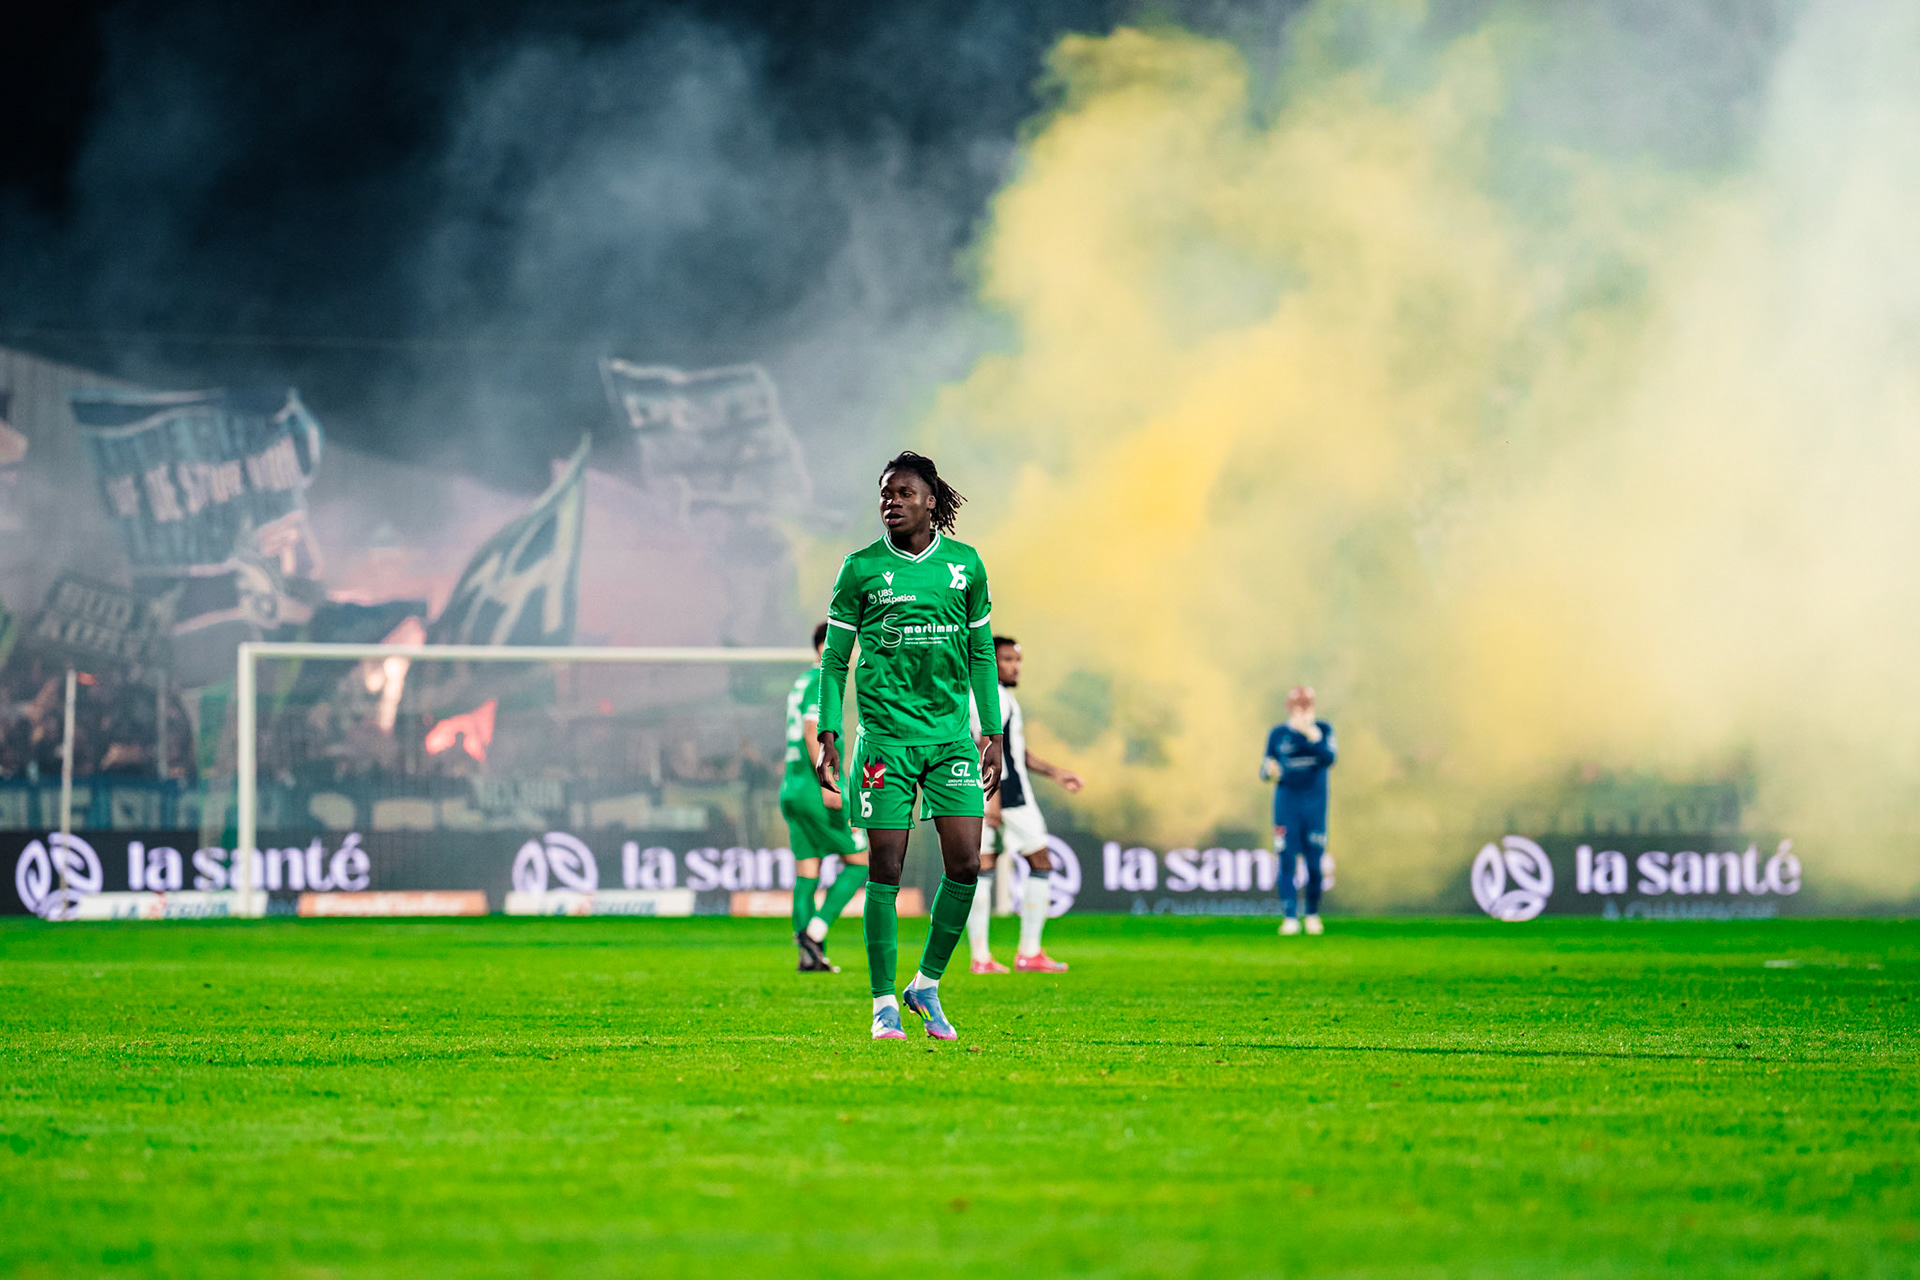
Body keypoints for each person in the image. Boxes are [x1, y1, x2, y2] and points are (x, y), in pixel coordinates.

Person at [816, 451, 1003, 1042]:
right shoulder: (860, 568)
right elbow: (834, 662)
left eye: (903, 493)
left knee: (966, 864)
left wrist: (993, 732)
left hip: (950, 740)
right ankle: (882, 1004)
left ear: (930, 501)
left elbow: (981, 653)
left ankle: (925, 984)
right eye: (885, 494)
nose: (891, 502)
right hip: (885, 743)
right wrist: (828, 731)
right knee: (886, 867)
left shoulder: (965, 566)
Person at [966, 636, 1083, 974]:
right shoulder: (992, 697)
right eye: (1007, 659)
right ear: (991, 661)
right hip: (1007, 794)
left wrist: (1055, 772)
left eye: (1018, 660)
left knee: (984, 867)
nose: (1015, 667)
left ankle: (981, 958)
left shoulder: (987, 695)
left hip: (984, 792)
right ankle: (1029, 952)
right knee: (1040, 861)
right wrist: (995, 799)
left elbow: (1013, 750)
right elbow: (986, 746)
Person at [781, 621, 871, 972]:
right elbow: (810, 731)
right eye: (849, 645)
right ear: (825, 648)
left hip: (793, 788)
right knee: (860, 862)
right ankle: (814, 933)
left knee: (808, 870)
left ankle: (809, 957)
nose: (853, 653)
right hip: (816, 789)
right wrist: (828, 782)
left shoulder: (801, 681)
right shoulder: (822, 679)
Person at [1261, 686, 1337, 935]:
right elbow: (1265, 769)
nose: (1302, 711)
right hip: (1286, 806)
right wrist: (1269, 772)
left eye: (1306, 706)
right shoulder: (1278, 734)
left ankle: (1312, 914)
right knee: (1286, 860)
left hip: (1314, 808)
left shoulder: (1323, 730)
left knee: (1315, 864)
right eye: (1297, 706)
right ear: (1289, 708)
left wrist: (1312, 737)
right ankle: (1290, 917)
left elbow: (1329, 759)